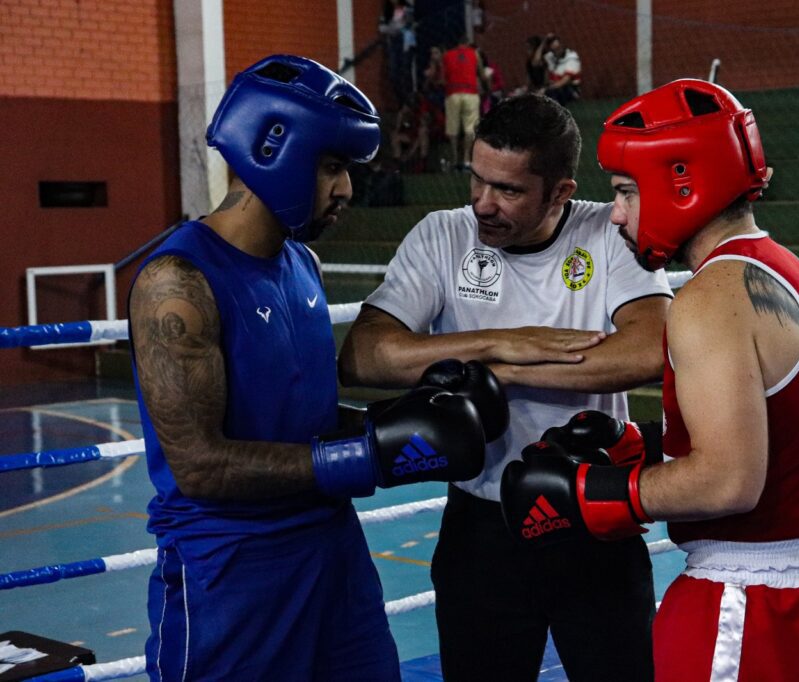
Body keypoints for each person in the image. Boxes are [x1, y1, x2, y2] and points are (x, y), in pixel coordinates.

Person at [128, 54, 495, 681]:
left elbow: (301, 412)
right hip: (232, 572)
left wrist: (407, 421)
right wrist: (371, 455)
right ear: (273, 147)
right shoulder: (177, 282)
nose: (346, 189)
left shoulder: (303, 264)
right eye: (332, 167)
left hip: (332, 555)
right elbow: (199, 464)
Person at [500, 79, 799, 681]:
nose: (616, 213)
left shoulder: (707, 298)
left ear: (681, 181)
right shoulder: (784, 268)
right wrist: (646, 443)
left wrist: (597, 492)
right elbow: (773, 422)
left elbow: (728, 483)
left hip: (750, 596)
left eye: (625, 191)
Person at [340, 93, 672, 681]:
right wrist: (501, 343)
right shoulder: (442, 236)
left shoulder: (605, 231)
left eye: (509, 191)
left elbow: (651, 348)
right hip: (481, 528)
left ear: (560, 192)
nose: (483, 204)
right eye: (477, 179)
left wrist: (499, 371)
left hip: (592, 518)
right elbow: (366, 355)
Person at [442, 36, 484, 171]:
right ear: (467, 43)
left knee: (453, 128)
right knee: (470, 128)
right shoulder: (474, 54)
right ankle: (466, 160)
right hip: (470, 92)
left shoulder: (447, 55)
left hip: (453, 93)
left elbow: (443, 78)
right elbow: (481, 73)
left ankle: (455, 161)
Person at [544, 34, 582, 105]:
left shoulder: (571, 57)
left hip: (570, 89)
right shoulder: (550, 56)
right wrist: (543, 42)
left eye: (558, 47)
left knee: (555, 91)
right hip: (553, 86)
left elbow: (565, 80)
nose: (557, 50)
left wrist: (547, 89)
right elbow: (535, 62)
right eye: (554, 49)